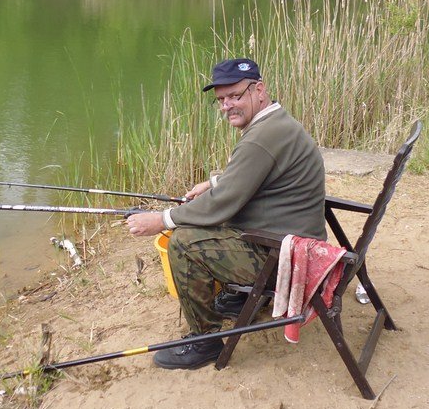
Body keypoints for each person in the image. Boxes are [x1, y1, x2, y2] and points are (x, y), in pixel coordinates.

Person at [126, 57, 327, 369]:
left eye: (235, 96)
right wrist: (213, 183)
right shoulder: (276, 123)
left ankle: (205, 342)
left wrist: (161, 219)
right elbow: (256, 175)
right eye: (221, 99)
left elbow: (223, 203)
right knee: (207, 223)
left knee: (184, 243)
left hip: (284, 256)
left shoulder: (261, 137)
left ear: (259, 90)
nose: (227, 106)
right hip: (292, 238)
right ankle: (243, 296)